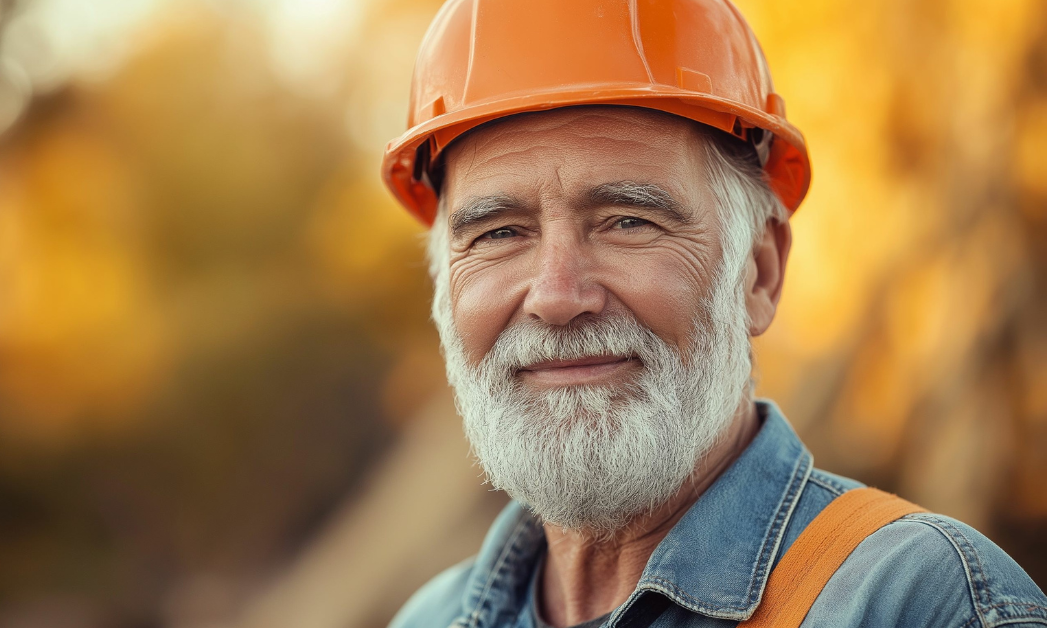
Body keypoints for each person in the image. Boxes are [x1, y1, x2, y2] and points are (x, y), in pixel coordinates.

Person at [378, 1, 1047, 627]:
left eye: (627, 221)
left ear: (759, 272)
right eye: (498, 233)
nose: (557, 296)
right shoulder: (430, 618)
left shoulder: (922, 603)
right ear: (444, 288)